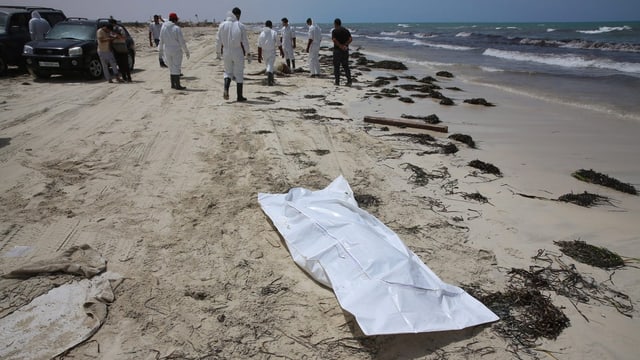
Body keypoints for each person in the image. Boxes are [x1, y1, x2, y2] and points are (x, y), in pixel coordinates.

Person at [216, 7, 250, 101]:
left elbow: (218, 40)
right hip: (237, 51)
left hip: (226, 51)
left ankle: (226, 89)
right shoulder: (240, 25)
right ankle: (239, 96)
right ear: (238, 15)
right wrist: (248, 52)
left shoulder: (222, 25)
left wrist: (218, 52)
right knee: (239, 73)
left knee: (228, 72)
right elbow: (245, 41)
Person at [158, 12, 190, 90]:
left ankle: (173, 84)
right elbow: (182, 41)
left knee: (171, 67)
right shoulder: (176, 28)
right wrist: (186, 51)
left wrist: (160, 52)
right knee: (176, 67)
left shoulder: (163, 27)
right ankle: (177, 85)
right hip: (176, 50)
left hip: (167, 49)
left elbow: (161, 40)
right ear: (175, 20)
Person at [331, 18, 352, 86]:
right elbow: (350, 39)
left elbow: (334, 40)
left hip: (337, 50)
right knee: (346, 66)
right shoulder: (346, 30)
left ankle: (337, 82)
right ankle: (349, 81)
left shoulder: (334, 31)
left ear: (335, 24)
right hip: (345, 50)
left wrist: (340, 46)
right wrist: (345, 45)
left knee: (337, 66)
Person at [110, 18, 132, 82]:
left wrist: (116, 35)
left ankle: (129, 77)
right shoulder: (111, 30)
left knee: (125, 63)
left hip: (122, 47)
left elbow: (123, 37)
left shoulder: (120, 29)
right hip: (115, 48)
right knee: (119, 64)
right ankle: (124, 77)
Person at [258, 20, 279, 86]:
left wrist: (259, 55)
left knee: (269, 65)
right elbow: (279, 43)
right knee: (270, 66)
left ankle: (271, 80)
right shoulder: (274, 33)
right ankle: (269, 82)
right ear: (271, 26)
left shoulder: (262, 34)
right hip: (271, 52)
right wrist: (281, 51)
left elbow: (259, 46)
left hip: (264, 53)